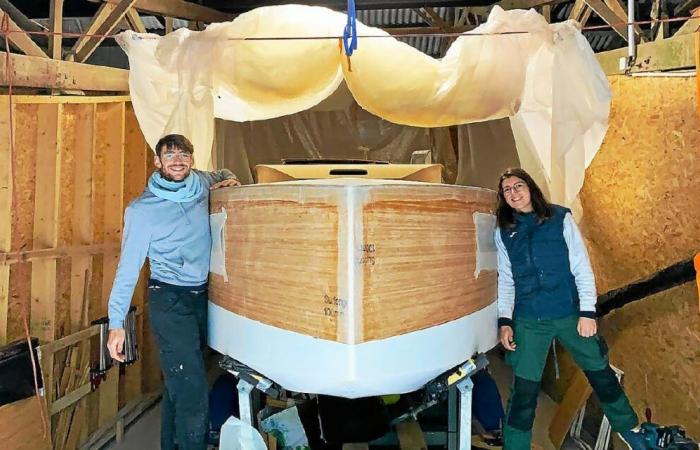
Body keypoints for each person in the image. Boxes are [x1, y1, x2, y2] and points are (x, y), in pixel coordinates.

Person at [494, 168, 646, 450]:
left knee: (600, 372)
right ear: (503, 197)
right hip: (529, 320)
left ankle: (631, 430)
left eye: (518, 186)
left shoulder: (559, 218)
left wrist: (587, 312)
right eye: (507, 190)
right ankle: (515, 446)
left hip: (569, 314)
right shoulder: (504, 232)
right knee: (524, 392)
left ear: (530, 188)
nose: (514, 193)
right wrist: (505, 321)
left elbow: (581, 267)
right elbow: (506, 280)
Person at [106, 134, 240, 450]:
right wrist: (116, 324)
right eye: (169, 155)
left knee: (179, 386)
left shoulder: (201, 184)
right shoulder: (142, 210)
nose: (177, 160)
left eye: (183, 154)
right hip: (169, 299)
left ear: (192, 159)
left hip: (202, 296)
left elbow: (221, 175)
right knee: (193, 393)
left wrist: (231, 180)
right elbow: (128, 268)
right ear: (157, 161)